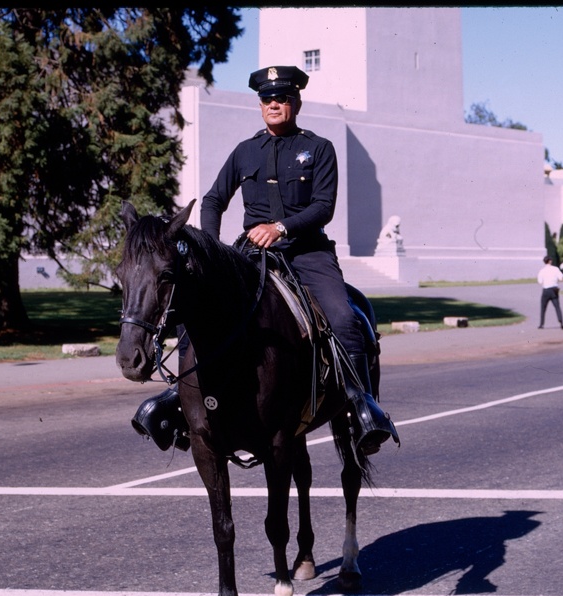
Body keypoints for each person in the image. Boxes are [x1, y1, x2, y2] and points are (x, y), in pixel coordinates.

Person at [132, 65, 398, 456]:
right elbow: (212, 201)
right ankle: (178, 398)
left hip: (307, 252)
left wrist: (282, 228)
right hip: (249, 255)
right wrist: (212, 250)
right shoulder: (245, 151)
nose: (275, 104)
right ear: (261, 105)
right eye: (268, 99)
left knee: (343, 317)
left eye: (283, 97)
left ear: (296, 102)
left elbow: (323, 207)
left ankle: (363, 406)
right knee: (197, 310)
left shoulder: (319, 148)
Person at [537, 256, 563, 329]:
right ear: (550, 261)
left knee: (543, 307)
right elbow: (561, 278)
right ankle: (561, 321)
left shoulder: (542, 271)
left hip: (546, 290)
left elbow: (540, 281)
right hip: (554, 289)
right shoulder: (555, 269)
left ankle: (541, 324)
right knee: (557, 307)